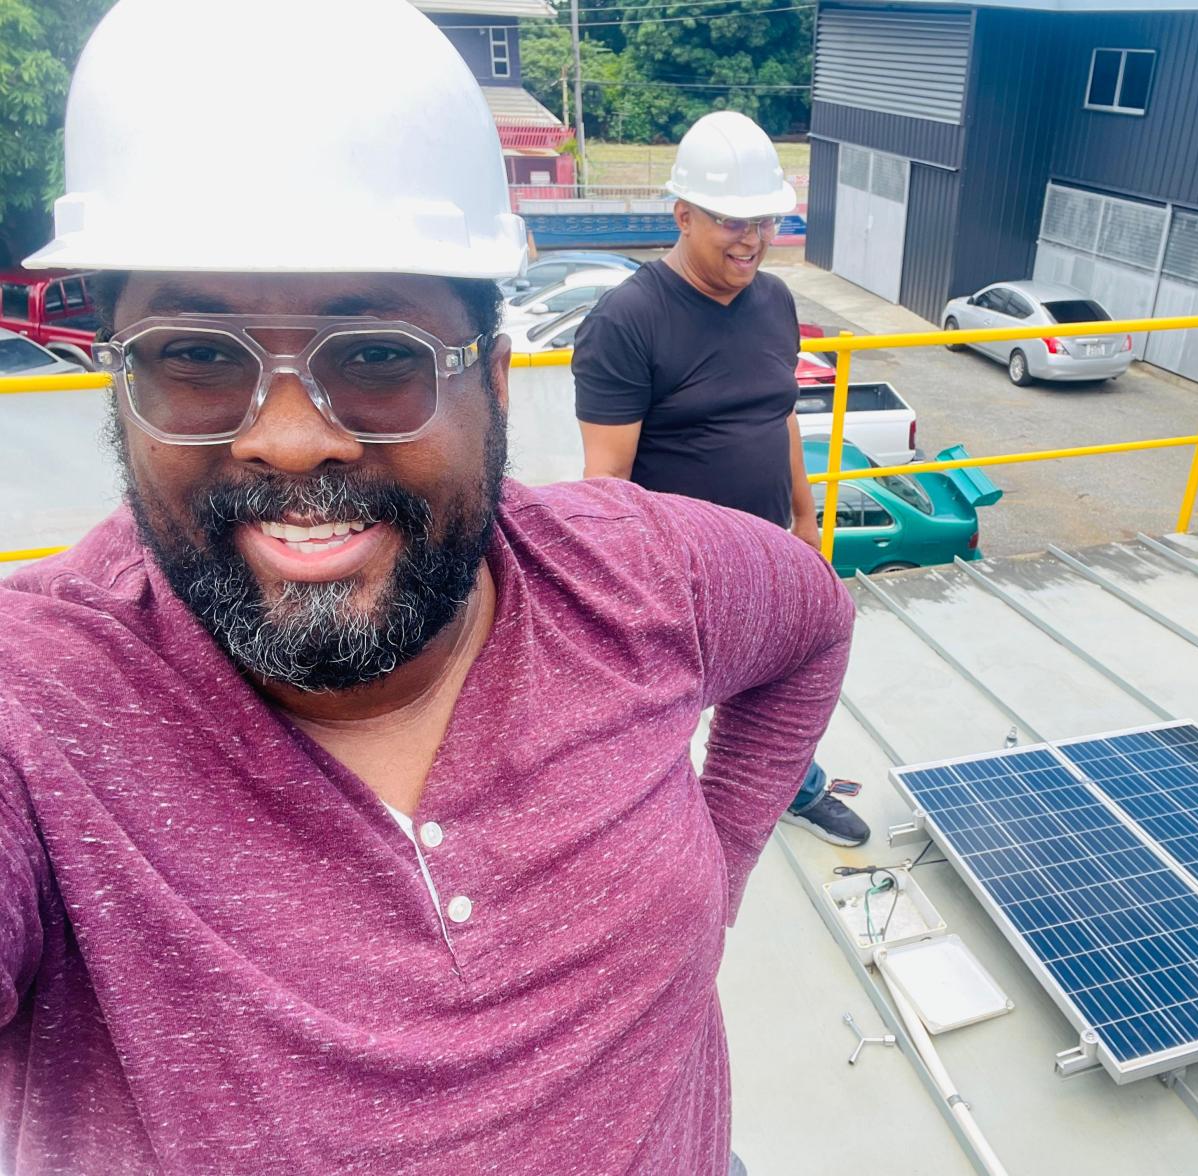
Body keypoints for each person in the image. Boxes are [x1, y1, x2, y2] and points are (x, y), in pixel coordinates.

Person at [0, 3, 854, 1174]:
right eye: (195, 354)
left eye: (381, 356)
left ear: (495, 385)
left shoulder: (643, 575)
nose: (290, 440)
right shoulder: (41, 706)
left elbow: (812, 622)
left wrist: (720, 861)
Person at [572, 111, 869, 848]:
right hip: (679, 576)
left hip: (770, 552)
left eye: (765, 220)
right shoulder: (627, 320)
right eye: (732, 221)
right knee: (662, 714)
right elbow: (605, 484)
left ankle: (791, 787)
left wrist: (805, 524)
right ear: (682, 214)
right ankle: (653, 830)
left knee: (772, 692)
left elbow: (783, 417)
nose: (752, 239)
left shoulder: (775, 301)